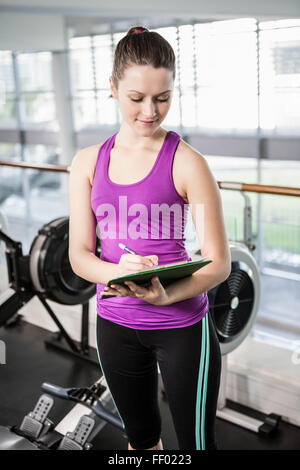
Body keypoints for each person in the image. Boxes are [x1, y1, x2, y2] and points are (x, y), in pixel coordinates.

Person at [68, 26, 231, 451]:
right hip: (115, 326)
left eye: (163, 98)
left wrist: (165, 297)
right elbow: (79, 255)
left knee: (197, 446)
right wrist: (115, 271)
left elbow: (219, 262)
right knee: (141, 443)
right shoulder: (86, 163)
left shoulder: (189, 163)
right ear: (112, 87)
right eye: (136, 98)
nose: (150, 111)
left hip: (181, 328)